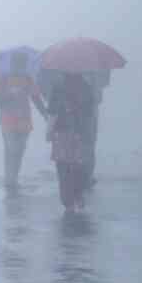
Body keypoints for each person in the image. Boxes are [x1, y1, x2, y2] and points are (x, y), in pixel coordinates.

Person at [0, 52, 47, 188]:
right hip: (8, 121)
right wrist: (8, 96)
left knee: (19, 151)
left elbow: (36, 98)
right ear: (12, 63)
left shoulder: (28, 79)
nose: (19, 65)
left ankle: (13, 177)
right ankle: (9, 178)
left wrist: (45, 114)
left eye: (22, 63)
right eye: (17, 62)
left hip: (24, 122)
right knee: (11, 149)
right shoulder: (4, 78)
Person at [46, 73, 94, 214]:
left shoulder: (58, 87)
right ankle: (78, 195)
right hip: (80, 133)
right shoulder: (85, 86)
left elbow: (52, 112)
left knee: (63, 168)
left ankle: (68, 202)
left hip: (61, 133)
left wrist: (49, 131)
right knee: (79, 166)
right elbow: (90, 112)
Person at [81, 70, 110, 186]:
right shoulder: (96, 71)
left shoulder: (96, 74)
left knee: (87, 146)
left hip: (86, 116)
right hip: (88, 116)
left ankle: (86, 175)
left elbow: (98, 98)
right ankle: (86, 176)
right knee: (88, 146)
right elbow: (99, 98)